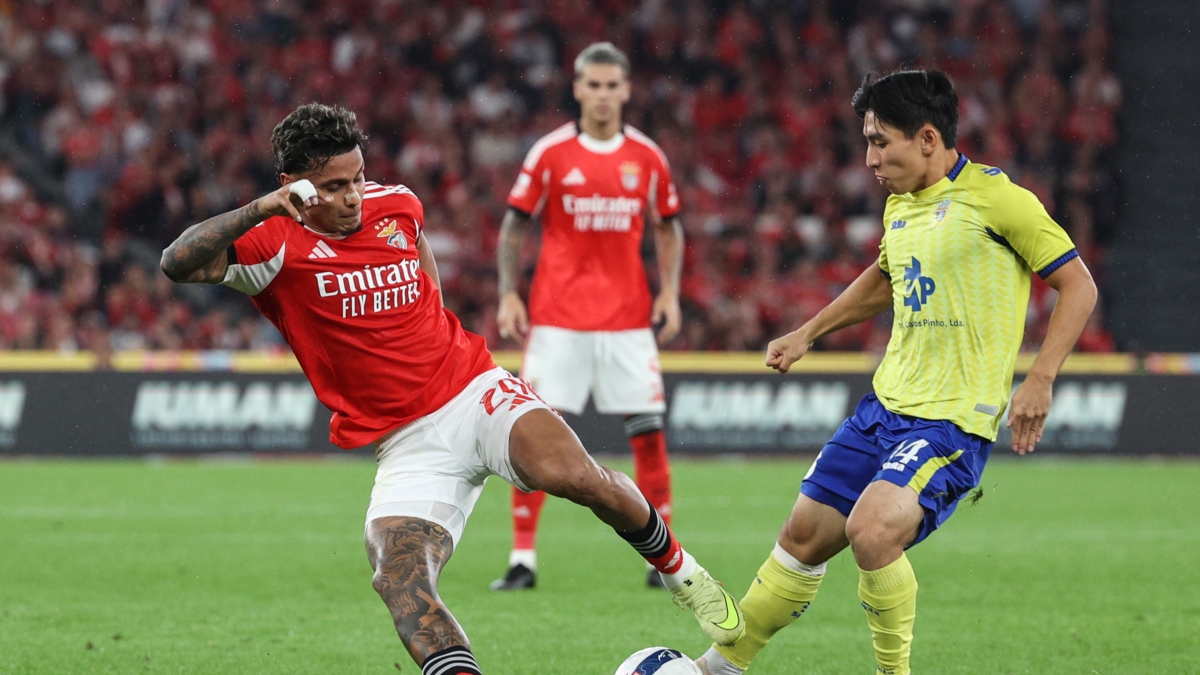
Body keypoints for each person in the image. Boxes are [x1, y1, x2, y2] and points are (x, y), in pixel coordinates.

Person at [158, 102, 744, 675]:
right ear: (294, 187)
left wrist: (431, 332)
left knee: (576, 476)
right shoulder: (271, 244)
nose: (354, 195)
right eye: (334, 187)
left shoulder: (398, 204)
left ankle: (684, 575)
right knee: (399, 581)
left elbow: (422, 265)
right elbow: (177, 263)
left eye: (357, 177)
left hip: (474, 392)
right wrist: (261, 208)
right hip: (406, 444)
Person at [696, 70, 1098, 675]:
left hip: (950, 422)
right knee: (802, 535)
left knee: (873, 531)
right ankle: (717, 666)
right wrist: (808, 333)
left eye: (881, 142)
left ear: (928, 138)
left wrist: (1040, 378)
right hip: (883, 410)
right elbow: (884, 280)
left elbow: (1078, 285)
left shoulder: (999, 199)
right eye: (868, 142)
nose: (870, 159)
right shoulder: (900, 207)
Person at [492, 42, 684, 591]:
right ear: (577, 89)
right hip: (558, 320)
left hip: (627, 321)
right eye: (593, 85)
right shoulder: (550, 153)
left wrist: (669, 292)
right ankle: (523, 559)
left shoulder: (647, 156)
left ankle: (661, 561)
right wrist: (508, 293)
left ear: (626, 90)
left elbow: (669, 225)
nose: (602, 95)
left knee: (648, 437)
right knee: (531, 438)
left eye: (611, 85)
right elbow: (514, 224)